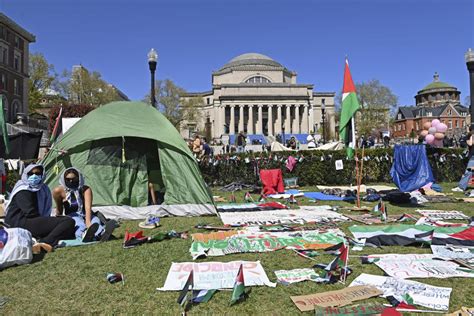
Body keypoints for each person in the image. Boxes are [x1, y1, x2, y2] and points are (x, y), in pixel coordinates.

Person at [5, 164, 76, 253]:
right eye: (31, 174)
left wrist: (47, 222)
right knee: (67, 222)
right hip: (20, 222)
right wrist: (47, 223)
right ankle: (45, 242)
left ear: (42, 175)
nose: (34, 176)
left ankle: (43, 240)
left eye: (38, 173)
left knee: (66, 226)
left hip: (31, 220)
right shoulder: (23, 189)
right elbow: (30, 212)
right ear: (26, 174)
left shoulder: (42, 188)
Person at [53, 167, 116, 242]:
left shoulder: (86, 189)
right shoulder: (58, 191)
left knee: (95, 221)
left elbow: (88, 208)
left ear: (79, 178)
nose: (71, 181)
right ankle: (83, 234)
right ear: (64, 179)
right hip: (71, 216)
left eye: (74, 179)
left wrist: (88, 222)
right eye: (68, 179)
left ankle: (102, 233)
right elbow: (59, 208)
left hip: (85, 214)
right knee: (79, 224)